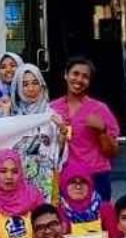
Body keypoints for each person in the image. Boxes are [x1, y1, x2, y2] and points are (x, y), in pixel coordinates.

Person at [50, 57, 119, 201]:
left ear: (89, 81)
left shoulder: (99, 109)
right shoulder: (52, 109)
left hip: (95, 176)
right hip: (63, 176)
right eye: (75, 74)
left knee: (99, 215)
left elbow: (112, 152)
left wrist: (102, 131)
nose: (79, 79)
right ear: (66, 75)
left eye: (85, 77)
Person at [9, 62, 67, 202]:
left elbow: (58, 154)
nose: (31, 88)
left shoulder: (52, 117)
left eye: (35, 83)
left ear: (42, 85)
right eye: (25, 84)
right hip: (17, 181)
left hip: (45, 181)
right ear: (18, 88)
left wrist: (62, 135)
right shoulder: (11, 116)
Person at [57, 162, 120, 238]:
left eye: (83, 182)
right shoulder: (59, 212)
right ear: (64, 185)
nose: (78, 187)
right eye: (73, 182)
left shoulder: (105, 209)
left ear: (90, 184)